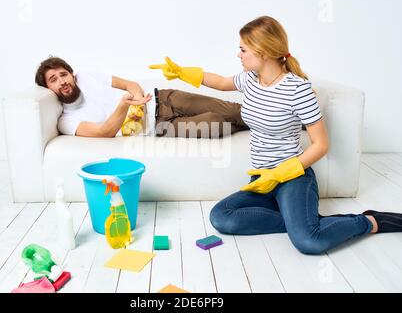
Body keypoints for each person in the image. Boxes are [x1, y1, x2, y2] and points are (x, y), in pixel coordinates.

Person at [150, 15, 402, 255]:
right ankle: (302, 221)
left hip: (293, 179)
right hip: (262, 180)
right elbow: (220, 82)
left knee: (309, 242)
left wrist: (282, 172)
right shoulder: (250, 79)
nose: (238, 54)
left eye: (243, 49)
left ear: (264, 51)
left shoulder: (298, 89)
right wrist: (183, 72)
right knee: (221, 216)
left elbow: (321, 144)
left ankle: (369, 222)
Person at [34, 57, 248, 138]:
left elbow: (129, 84)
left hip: (163, 99)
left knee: (230, 111)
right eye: (53, 79)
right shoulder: (65, 121)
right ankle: (259, 125)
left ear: (71, 74)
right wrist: (125, 106)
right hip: (159, 128)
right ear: (48, 88)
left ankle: (274, 121)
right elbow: (104, 132)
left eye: (63, 74)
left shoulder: (86, 76)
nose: (61, 81)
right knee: (216, 123)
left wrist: (137, 98)